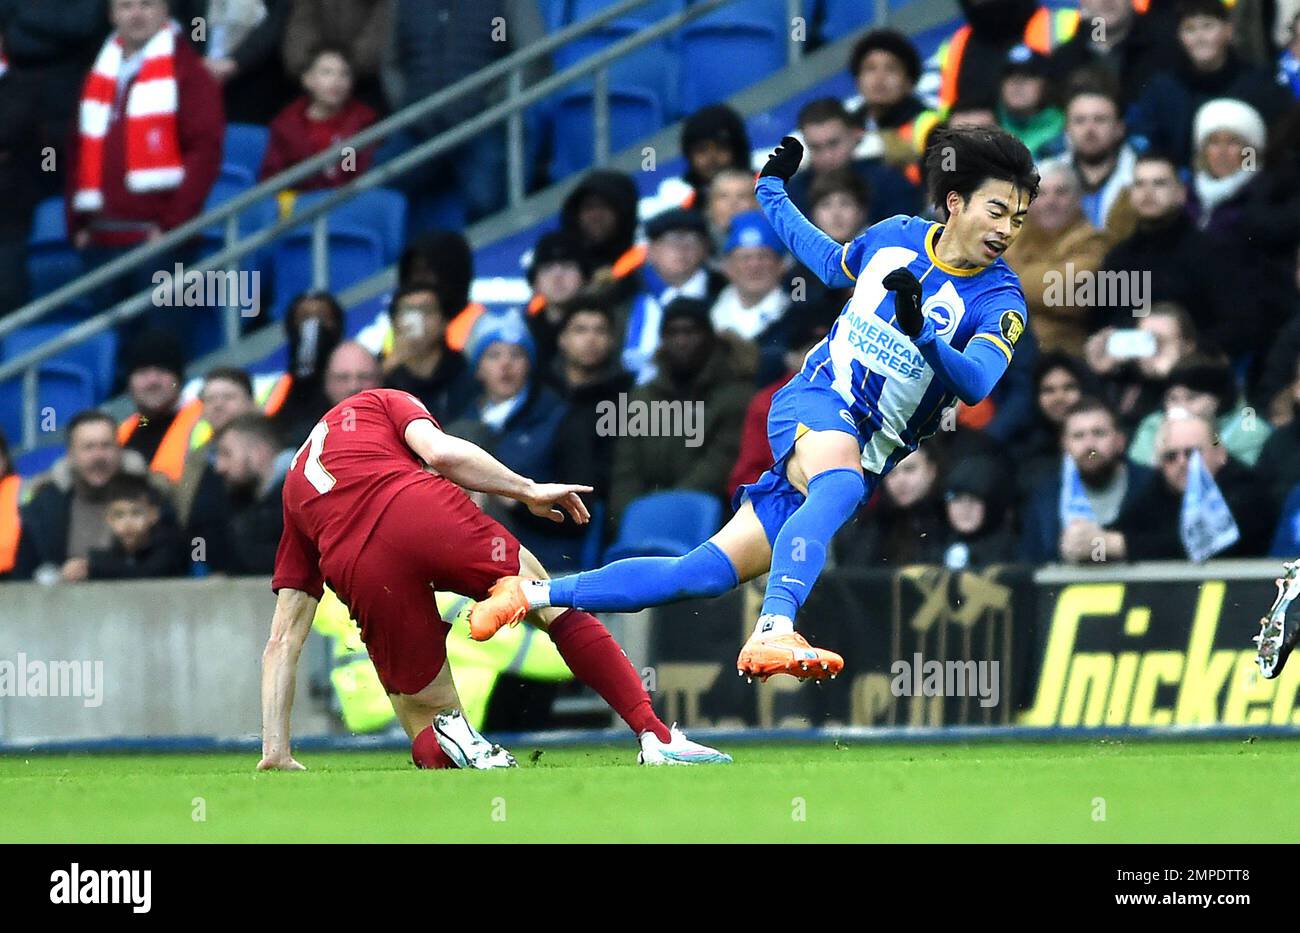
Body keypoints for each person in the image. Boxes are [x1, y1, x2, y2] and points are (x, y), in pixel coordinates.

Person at [471, 126, 1039, 683]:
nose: (1006, 229)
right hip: (814, 402)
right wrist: (771, 192)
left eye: (1017, 217)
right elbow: (829, 262)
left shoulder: (1001, 299)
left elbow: (977, 383)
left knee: (696, 574)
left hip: (861, 447)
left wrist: (926, 337)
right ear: (956, 201)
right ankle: (774, 626)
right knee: (838, 484)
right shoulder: (898, 236)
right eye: (996, 210)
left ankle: (531, 591)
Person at [258, 387, 731, 770]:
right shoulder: (380, 400)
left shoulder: (295, 493)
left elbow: (283, 640)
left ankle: (457, 739)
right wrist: (527, 490)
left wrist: (275, 751)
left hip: (354, 563)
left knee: (430, 716)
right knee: (546, 600)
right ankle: (656, 736)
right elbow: (440, 455)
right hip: (416, 507)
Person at [13, 410, 175, 582]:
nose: (98, 456)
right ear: (70, 456)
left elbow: (170, 564)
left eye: (106, 446)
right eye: (88, 447)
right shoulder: (44, 505)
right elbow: (23, 576)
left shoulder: (150, 497)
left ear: (120, 451)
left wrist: (94, 568)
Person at [1019, 396, 1155, 563]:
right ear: (1064, 445)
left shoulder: (1151, 485)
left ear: (1120, 441)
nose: (1090, 446)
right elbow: (1029, 562)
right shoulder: (1045, 497)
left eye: (1099, 433)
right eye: (1078, 436)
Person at [258, 43, 377, 189]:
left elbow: (353, 173)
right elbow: (272, 177)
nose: (336, 81)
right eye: (327, 73)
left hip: (344, 203)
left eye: (344, 74)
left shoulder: (361, 123)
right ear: (308, 79)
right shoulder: (286, 125)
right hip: (298, 204)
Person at [380, 282, 474, 424]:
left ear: (445, 321)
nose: (417, 319)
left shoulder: (462, 370)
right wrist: (386, 371)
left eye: (426, 310)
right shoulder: (379, 369)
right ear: (394, 321)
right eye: (408, 311)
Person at [212, 413, 292, 574]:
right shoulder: (244, 500)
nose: (219, 467)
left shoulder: (299, 500)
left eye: (227, 454)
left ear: (259, 452)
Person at [84, 472, 188, 579]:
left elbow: (146, 574)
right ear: (108, 519)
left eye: (136, 513)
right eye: (119, 515)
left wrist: (93, 568)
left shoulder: (169, 547)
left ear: (153, 515)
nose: (128, 523)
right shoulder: (111, 553)